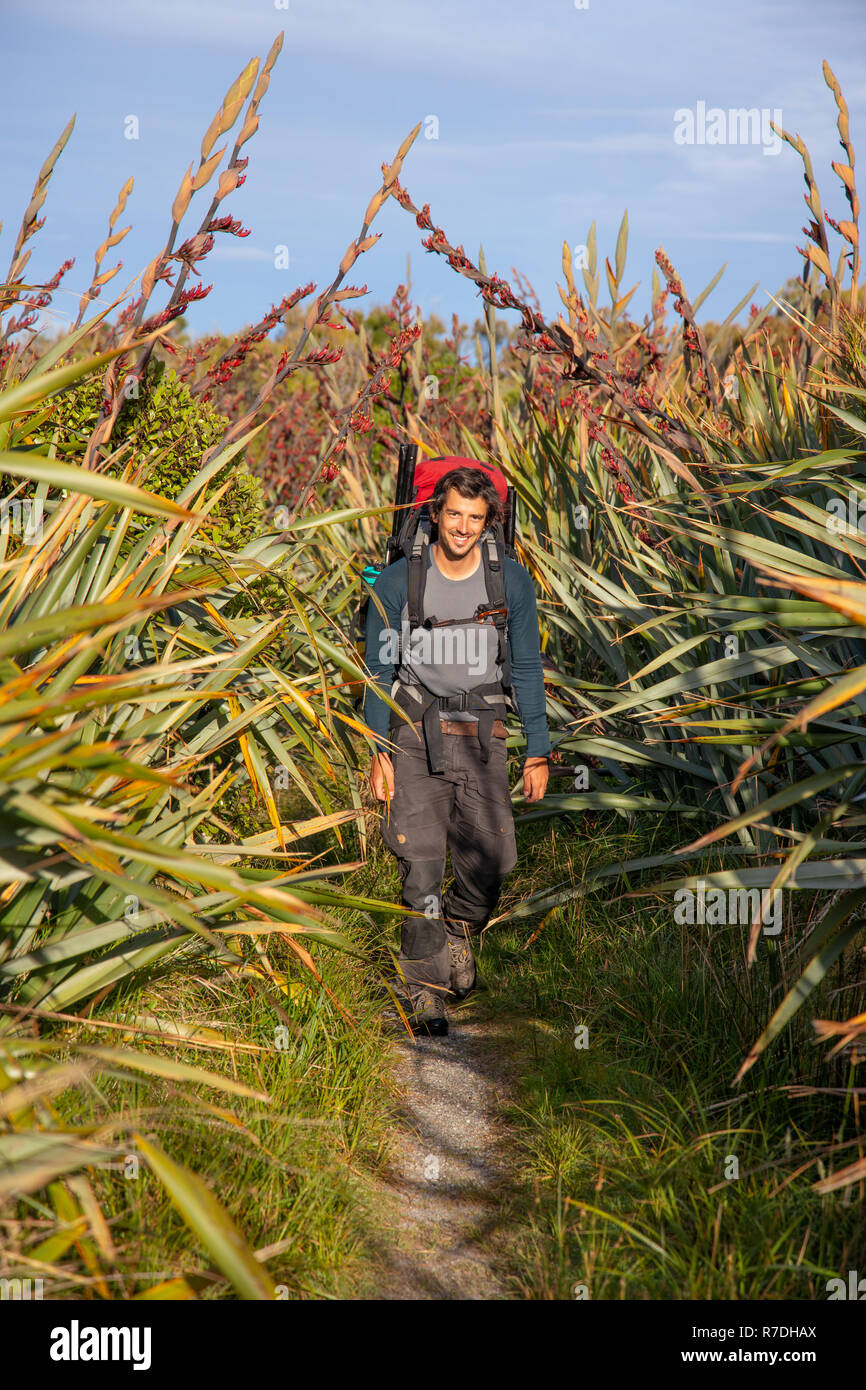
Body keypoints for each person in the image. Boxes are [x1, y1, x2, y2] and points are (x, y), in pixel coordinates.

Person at [363, 463, 550, 1035]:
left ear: (489, 520)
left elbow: (524, 666)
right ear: (435, 514)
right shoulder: (397, 583)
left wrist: (538, 749)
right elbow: (379, 669)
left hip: (484, 733)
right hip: (415, 734)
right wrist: (378, 751)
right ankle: (423, 987)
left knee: (496, 860)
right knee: (419, 865)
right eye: (453, 515)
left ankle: (461, 932)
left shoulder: (510, 582)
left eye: (475, 517)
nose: (463, 528)